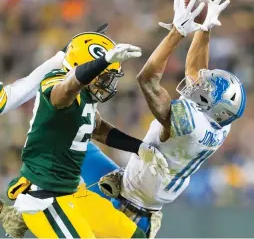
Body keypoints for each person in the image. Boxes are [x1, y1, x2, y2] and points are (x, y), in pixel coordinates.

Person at [98, 0, 246, 238]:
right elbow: (196, 69)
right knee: (78, 136)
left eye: (206, 89)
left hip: (129, 215)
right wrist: (204, 28)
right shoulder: (219, 121)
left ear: (212, 105)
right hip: (130, 193)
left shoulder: (189, 124)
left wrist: (177, 32)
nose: (200, 82)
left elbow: (147, 80)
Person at [3, 31, 169, 238]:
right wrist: (104, 61)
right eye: (105, 76)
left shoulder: (86, 96)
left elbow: (97, 128)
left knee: (135, 236)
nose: (109, 83)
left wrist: (141, 148)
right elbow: (64, 92)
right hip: (45, 197)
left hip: (73, 191)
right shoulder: (55, 84)